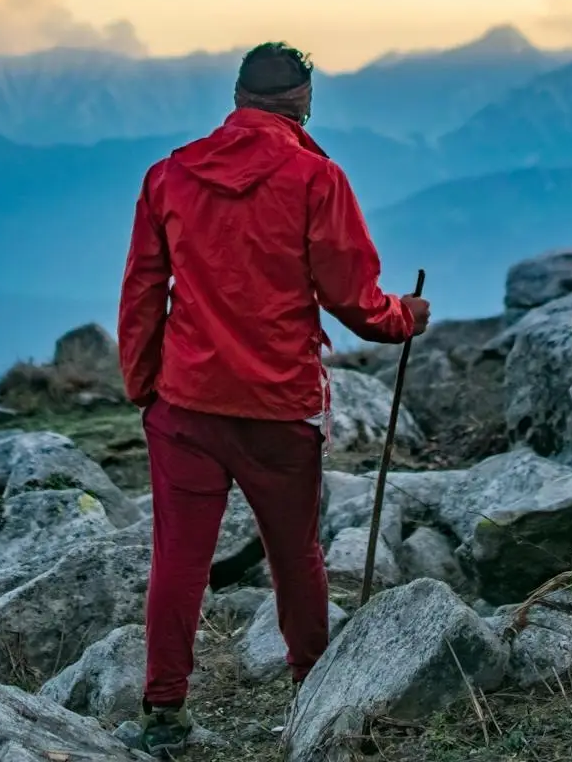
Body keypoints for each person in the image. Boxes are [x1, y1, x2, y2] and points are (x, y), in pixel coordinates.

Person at [117, 40, 431, 756]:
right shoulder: (317, 180)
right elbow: (354, 300)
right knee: (296, 558)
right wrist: (403, 319)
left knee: (178, 561)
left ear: (236, 97)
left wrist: (144, 387)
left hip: (186, 406)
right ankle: (310, 695)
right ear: (304, 101)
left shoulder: (168, 176)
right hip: (279, 409)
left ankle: (164, 715)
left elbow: (142, 290)